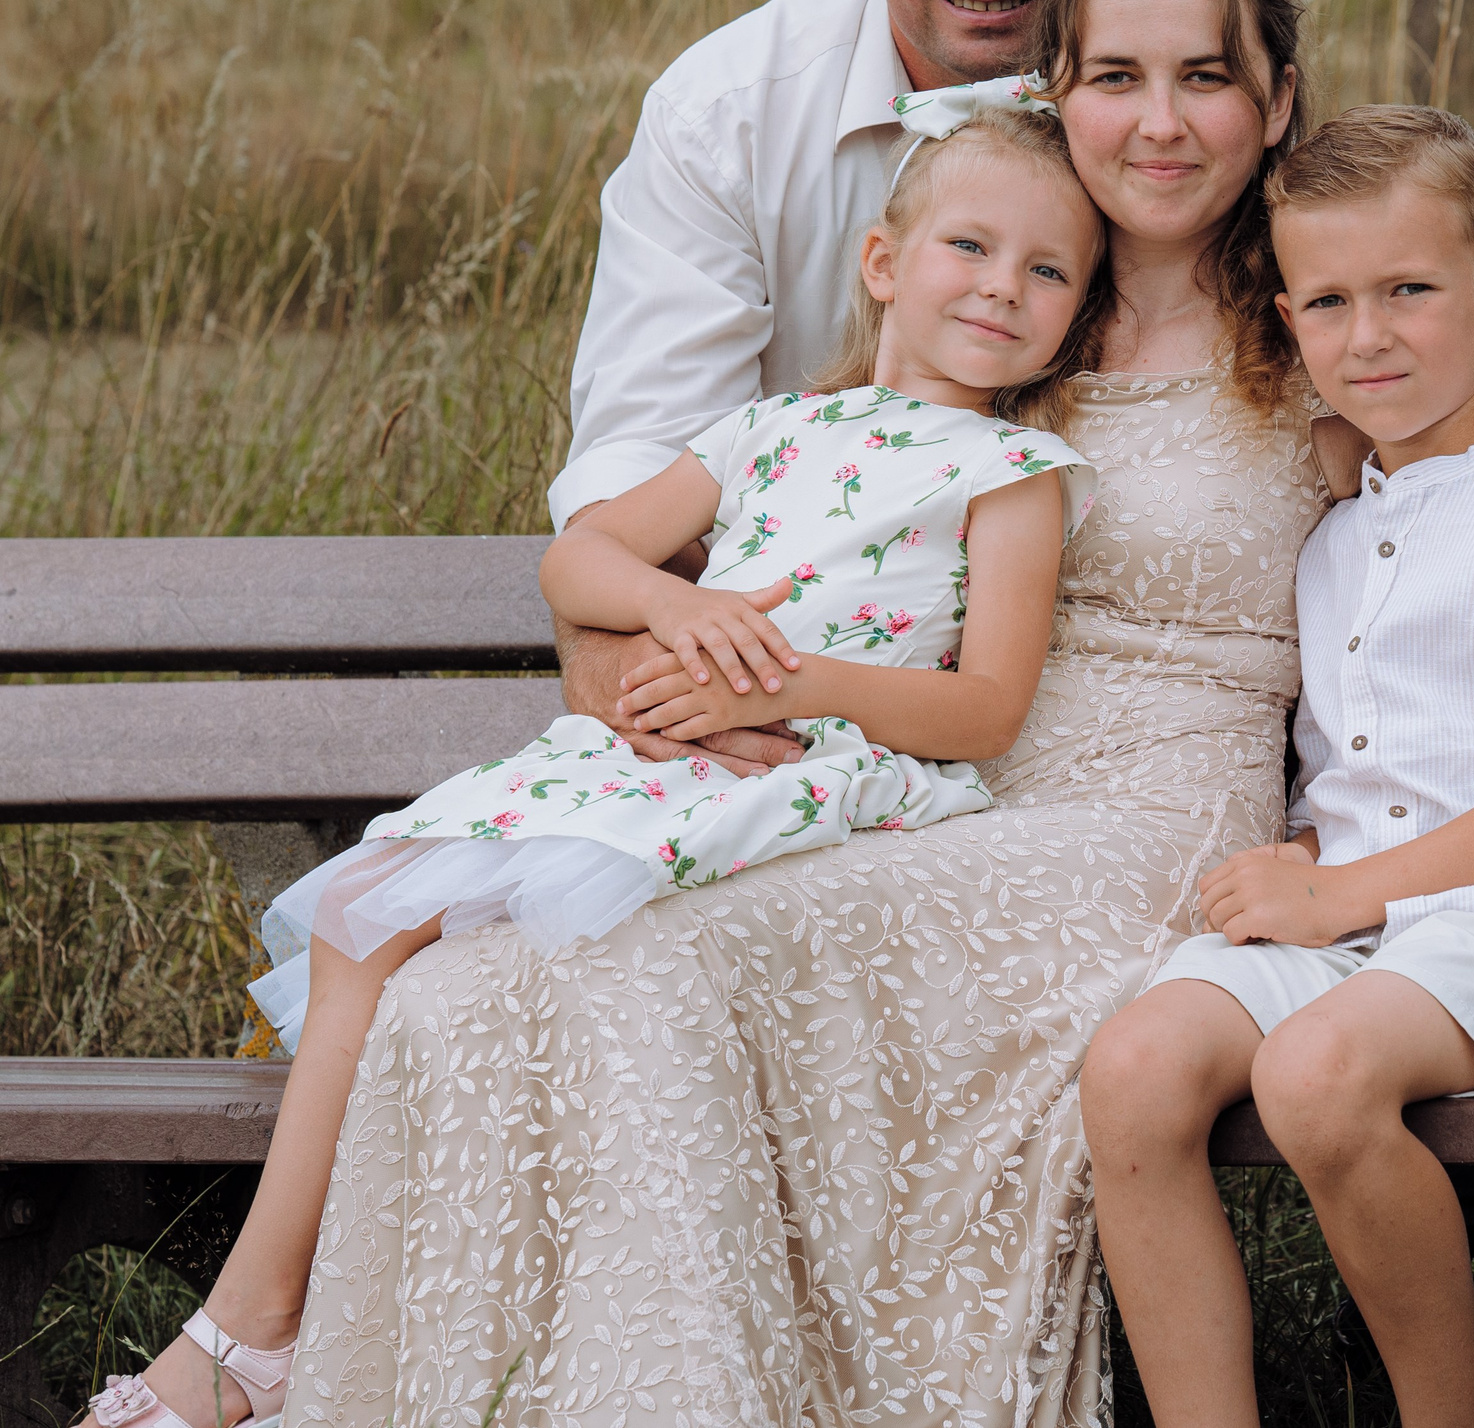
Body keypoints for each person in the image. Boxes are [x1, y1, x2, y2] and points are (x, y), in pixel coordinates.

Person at [540, 0, 1474, 1406]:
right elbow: (694, 500)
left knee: (773, 957)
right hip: (938, 772)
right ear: (1052, 94)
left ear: (1275, 97)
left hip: (1168, 819)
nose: (1160, 123)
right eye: (1115, 82)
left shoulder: (1310, 327)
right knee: (667, 939)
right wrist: (665, 713)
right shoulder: (1004, 311)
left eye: (1208, 79)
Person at [76, 106, 1105, 1428]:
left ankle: (247, 1342)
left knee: (480, 952)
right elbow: (584, 562)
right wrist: (681, 614)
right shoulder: (770, 430)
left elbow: (987, 709)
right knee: (353, 914)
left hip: (809, 762)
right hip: (664, 752)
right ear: (884, 261)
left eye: (1048, 271)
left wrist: (798, 679)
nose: (1002, 287)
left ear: (1077, 317)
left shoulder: (1011, 471)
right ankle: (263, 1321)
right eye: (972, 244)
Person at [1083, 104, 1474, 1428]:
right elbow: (1351, 766)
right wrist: (1303, 863)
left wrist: (1334, 898)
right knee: (1132, 1069)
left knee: (1314, 1073)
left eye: (1411, 291)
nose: (1372, 336)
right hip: (1360, 924)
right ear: (1290, 322)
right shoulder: (1341, 528)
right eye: (1331, 303)